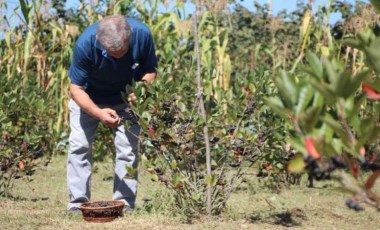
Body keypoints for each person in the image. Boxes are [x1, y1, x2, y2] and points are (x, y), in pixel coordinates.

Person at [66, 15, 157, 212]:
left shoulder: (142, 34)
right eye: (111, 53)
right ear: (100, 42)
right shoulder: (85, 43)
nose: (118, 57)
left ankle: (125, 204)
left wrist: (140, 91)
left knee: (128, 149)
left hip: (127, 101)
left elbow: (150, 72)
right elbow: (76, 89)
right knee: (79, 146)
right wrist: (98, 113)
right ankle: (77, 204)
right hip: (88, 98)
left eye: (122, 52)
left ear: (129, 37)